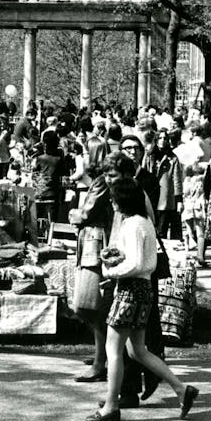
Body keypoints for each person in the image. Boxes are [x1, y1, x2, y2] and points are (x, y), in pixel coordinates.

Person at [86, 177, 199, 421]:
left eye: (114, 198)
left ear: (123, 199)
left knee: (112, 350)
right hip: (144, 290)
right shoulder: (145, 222)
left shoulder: (132, 224)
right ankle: (181, 389)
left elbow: (137, 263)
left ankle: (111, 406)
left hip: (130, 290)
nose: (112, 203)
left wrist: (110, 271)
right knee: (137, 350)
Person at [70, 163, 116, 384]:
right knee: (90, 307)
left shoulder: (100, 182)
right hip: (91, 246)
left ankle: (101, 362)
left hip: (94, 248)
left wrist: (74, 213)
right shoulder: (99, 182)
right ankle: (102, 357)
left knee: (89, 306)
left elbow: (85, 215)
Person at [152, 129, 184, 240]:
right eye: (160, 138)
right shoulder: (150, 156)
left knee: (162, 232)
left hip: (165, 199)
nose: (162, 140)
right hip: (151, 196)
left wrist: (179, 200)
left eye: (165, 138)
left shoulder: (173, 158)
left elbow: (177, 180)